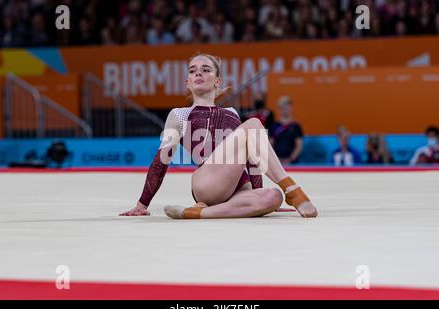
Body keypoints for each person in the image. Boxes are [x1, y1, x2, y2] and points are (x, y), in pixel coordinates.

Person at [119, 53, 317, 219]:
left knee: (272, 197)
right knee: (255, 124)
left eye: (206, 70)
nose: (198, 73)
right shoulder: (179, 114)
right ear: (187, 82)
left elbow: (251, 159)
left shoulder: (232, 112)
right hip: (208, 183)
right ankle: (292, 190)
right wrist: (142, 203)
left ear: (217, 81)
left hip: (239, 188)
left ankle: (198, 213)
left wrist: (258, 192)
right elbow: (161, 161)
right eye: (192, 70)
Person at [269, 96, 304, 165]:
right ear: (279, 109)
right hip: (277, 162)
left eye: (286, 108)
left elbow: (299, 146)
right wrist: (276, 159)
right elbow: (270, 145)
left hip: (292, 163)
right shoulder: (274, 126)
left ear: (291, 108)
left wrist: (290, 159)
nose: (285, 110)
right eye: (282, 109)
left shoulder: (296, 126)